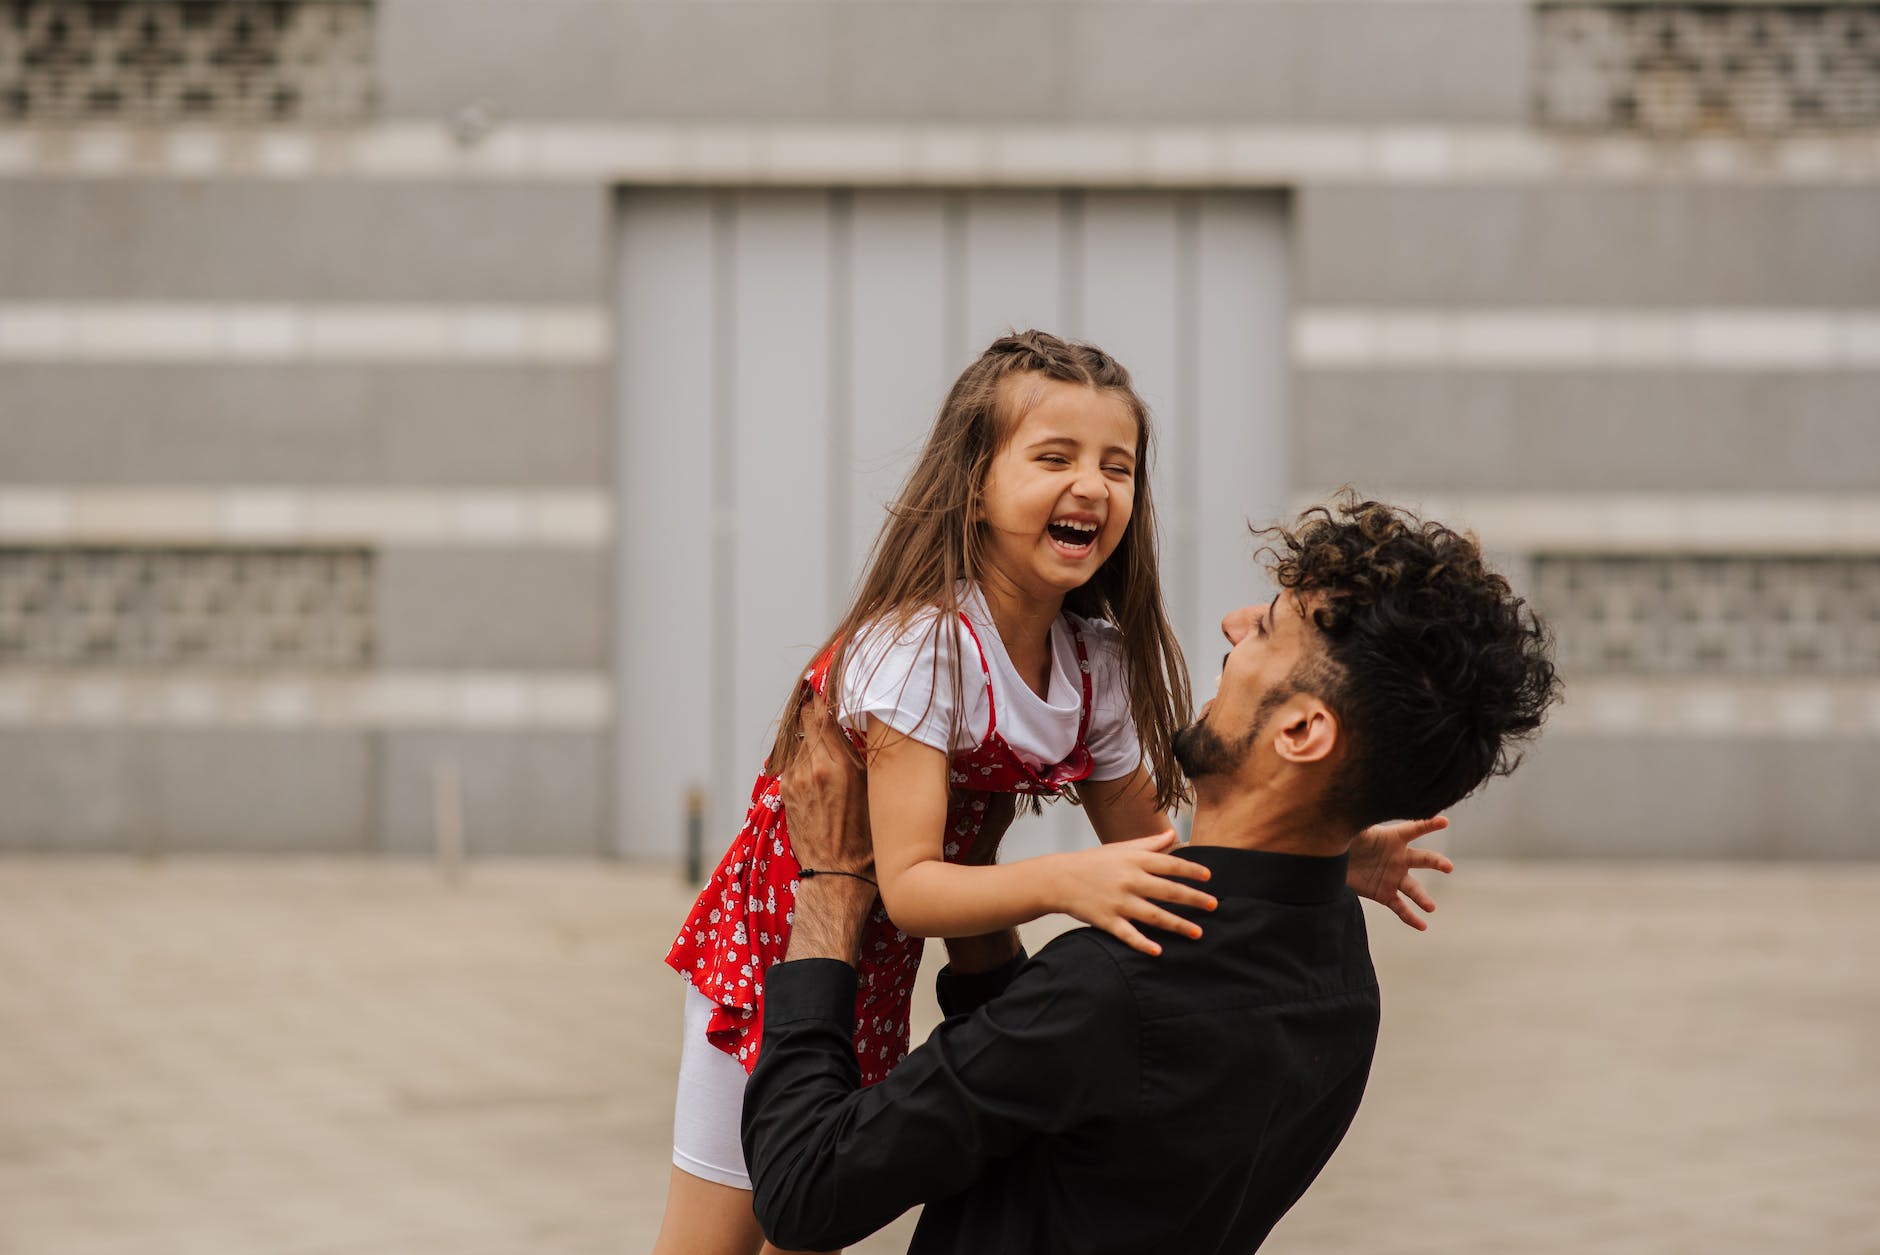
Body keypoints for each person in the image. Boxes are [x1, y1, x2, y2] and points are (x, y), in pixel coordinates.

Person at [653, 336, 1449, 1255]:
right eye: (1054, 457)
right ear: (974, 487)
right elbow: (910, 885)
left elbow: (1164, 860)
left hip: (879, 954)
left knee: (819, 1206)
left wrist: (1325, 852)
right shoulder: (923, 648)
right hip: (780, 939)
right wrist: (1066, 882)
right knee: (715, 1238)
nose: (1094, 486)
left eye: (1118, 465)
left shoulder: (1094, 664)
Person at [742, 495, 1561, 1255]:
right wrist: (971, 871)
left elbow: (806, 1188)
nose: (1235, 625)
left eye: (1269, 629)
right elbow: (1049, 1102)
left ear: (1304, 730)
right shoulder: (1343, 984)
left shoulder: (1111, 989)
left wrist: (829, 885)